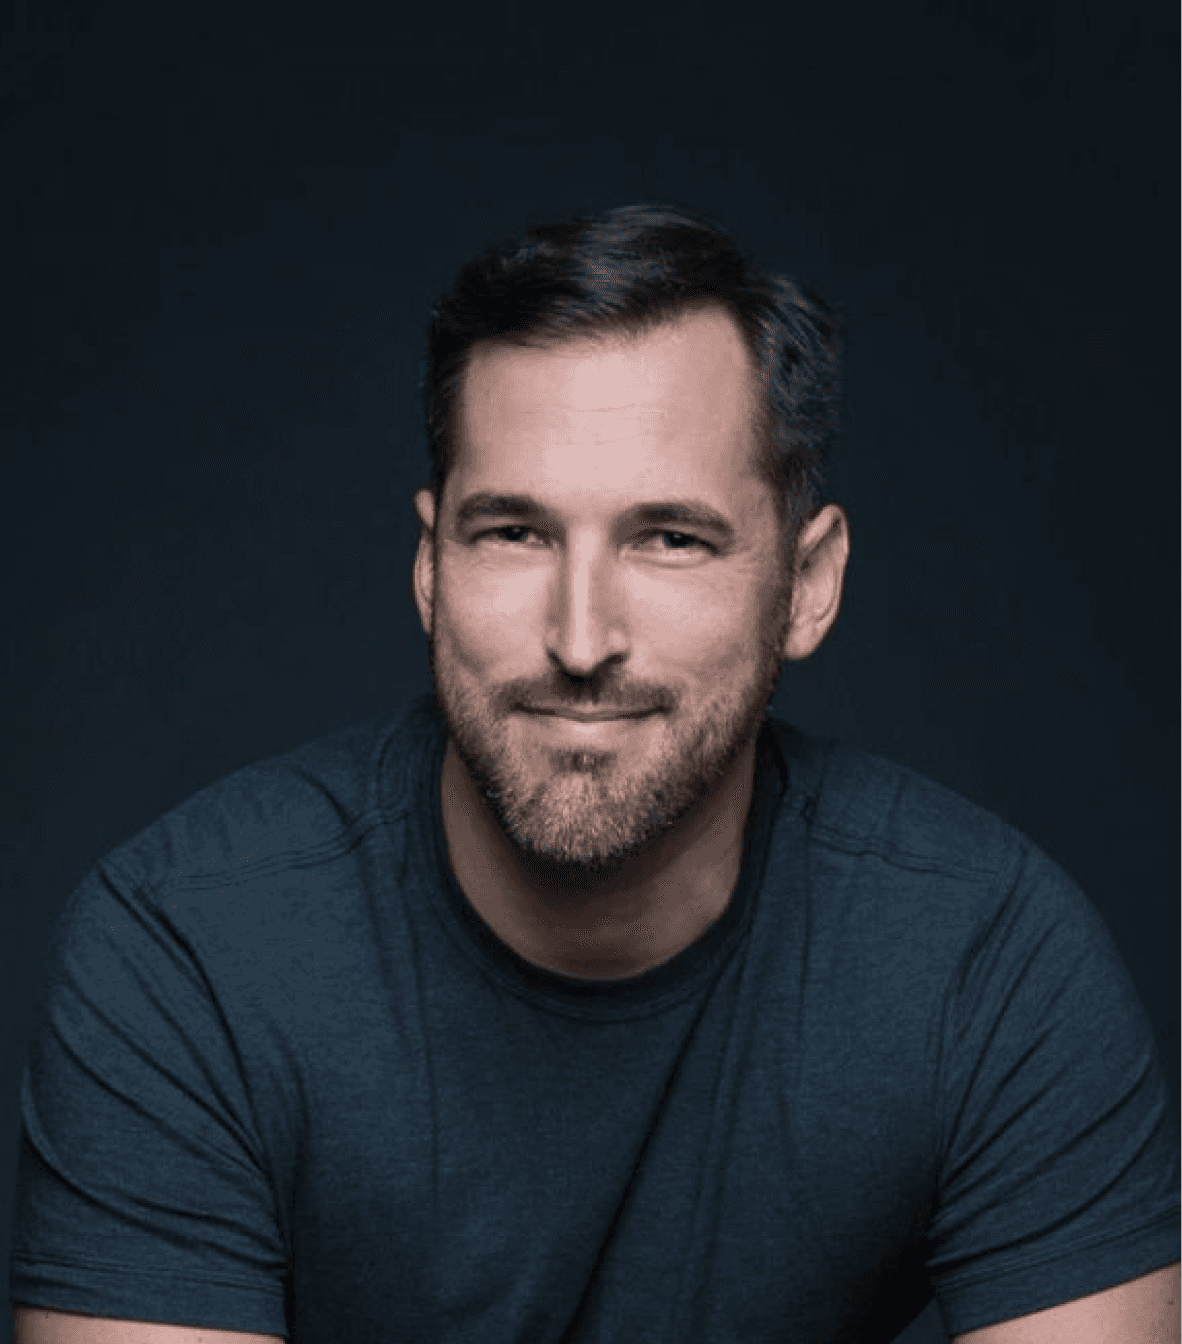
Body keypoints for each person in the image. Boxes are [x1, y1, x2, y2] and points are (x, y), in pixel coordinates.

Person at [9, 204, 1180, 1344]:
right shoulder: (190, 954)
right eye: (514, 533)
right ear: (430, 566)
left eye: (670, 539)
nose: (580, 641)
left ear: (808, 584)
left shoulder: (985, 964)